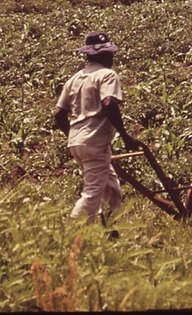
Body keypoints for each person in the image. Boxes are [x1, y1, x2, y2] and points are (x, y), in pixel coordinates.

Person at [54, 31, 141, 225]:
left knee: (112, 188)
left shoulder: (75, 78)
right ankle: (72, 232)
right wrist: (126, 137)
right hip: (95, 143)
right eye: (109, 53)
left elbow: (59, 114)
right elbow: (109, 103)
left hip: (76, 143)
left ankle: (110, 229)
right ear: (103, 55)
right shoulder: (107, 75)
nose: (112, 57)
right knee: (93, 192)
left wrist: (75, 136)